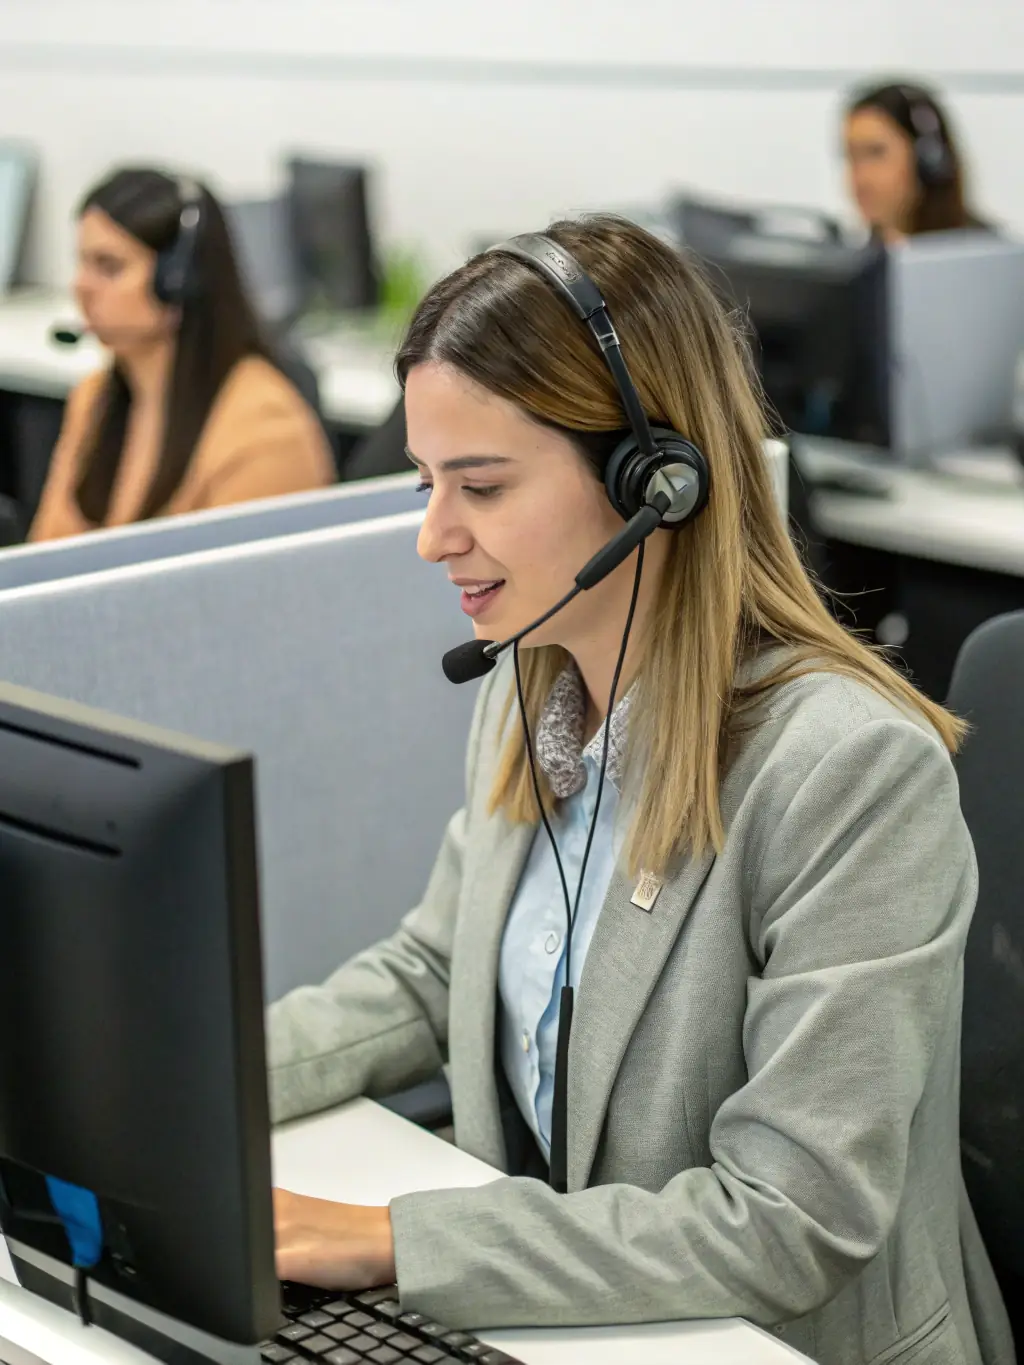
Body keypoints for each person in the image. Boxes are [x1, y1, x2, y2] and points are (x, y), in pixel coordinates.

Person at [267, 217, 1014, 1364]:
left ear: (655, 483)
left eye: (480, 486)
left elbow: (791, 1217)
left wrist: (396, 1243)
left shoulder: (847, 773)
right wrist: (202, 1089)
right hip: (583, 1325)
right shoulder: (532, 689)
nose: (431, 537)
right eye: (426, 483)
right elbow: (436, 969)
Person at [29, 168, 334, 542]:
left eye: (109, 267)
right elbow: (47, 553)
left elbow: (247, 578)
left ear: (177, 281)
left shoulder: (265, 429)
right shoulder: (93, 399)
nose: (81, 286)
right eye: (82, 262)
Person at [843, 81, 985, 243]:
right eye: (851, 156)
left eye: (875, 152)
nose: (860, 178)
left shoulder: (988, 253)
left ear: (928, 162)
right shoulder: (855, 253)